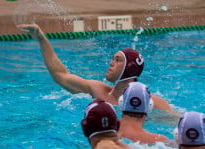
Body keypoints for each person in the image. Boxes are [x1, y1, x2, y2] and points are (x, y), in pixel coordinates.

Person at [17, 24, 178, 113]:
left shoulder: (152, 102)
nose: (111, 63)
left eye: (117, 60)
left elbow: (180, 123)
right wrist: (41, 38)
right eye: (112, 59)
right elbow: (60, 75)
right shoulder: (97, 90)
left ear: (129, 69)